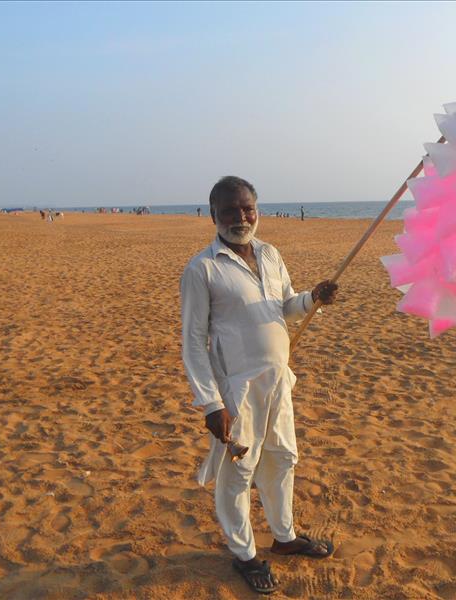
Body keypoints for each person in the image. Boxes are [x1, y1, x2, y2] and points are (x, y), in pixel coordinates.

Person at [180, 176, 338, 594]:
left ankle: (283, 537)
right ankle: (244, 553)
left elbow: (284, 305)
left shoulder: (270, 254)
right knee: (239, 471)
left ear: (257, 208)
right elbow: (193, 341)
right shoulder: (203, 268)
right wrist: (211, 403)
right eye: (230, 210)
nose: (241, 217)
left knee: (282, 458)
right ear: (213, 215)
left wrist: (312, 298)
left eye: (247, 208)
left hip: (278, 379)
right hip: (237, 388)